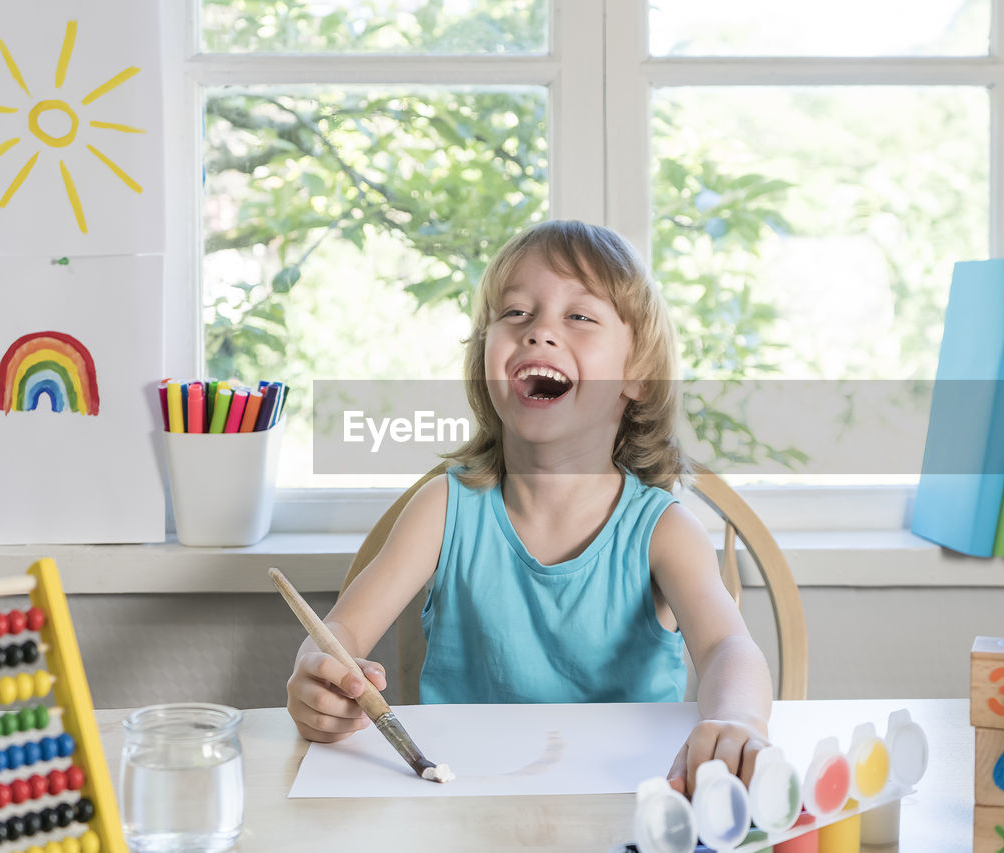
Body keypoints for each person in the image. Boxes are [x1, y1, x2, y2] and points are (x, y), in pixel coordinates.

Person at [286, 220, 773, 796]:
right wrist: (318, 677)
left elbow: (728, 649)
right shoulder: (444, 507)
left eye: (580, 316)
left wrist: (738, 720)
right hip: (462, 799)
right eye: (515, 313)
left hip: (624, 802)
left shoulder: (663, 531)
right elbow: (339, 630)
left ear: (637, 372)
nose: (540, 331)